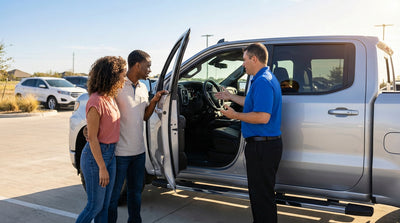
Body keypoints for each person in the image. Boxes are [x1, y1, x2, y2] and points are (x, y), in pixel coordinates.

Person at [215, 43, 283, 223]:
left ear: (254, 58)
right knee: (262, 195)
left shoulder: (262, 81)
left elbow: (262, 117)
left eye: (244, 60)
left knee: (261, 197)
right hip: (265, 145)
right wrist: (230, 97)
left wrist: (234, 115)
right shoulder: (263, 78)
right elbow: (251, 103)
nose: (243, 64)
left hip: (262, 147)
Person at [108, 50, 167, 223]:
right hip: (120, 154)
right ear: (137, 65)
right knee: (113, 198)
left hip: (139, 152)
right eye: (147, 65)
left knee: (135, 195)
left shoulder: (142, 87)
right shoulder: (117, 86)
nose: (149, 69)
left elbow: (144, 116)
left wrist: (154, 100)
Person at [76, 56, 126, 223]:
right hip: (95, 158)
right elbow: (92, 138)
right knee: (94, 206)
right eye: (122, 75)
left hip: (110, 154)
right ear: (112, 76)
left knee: (105, 206)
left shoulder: (110, 98)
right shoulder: (95, 101)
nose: (124, 79)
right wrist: (102, 167)